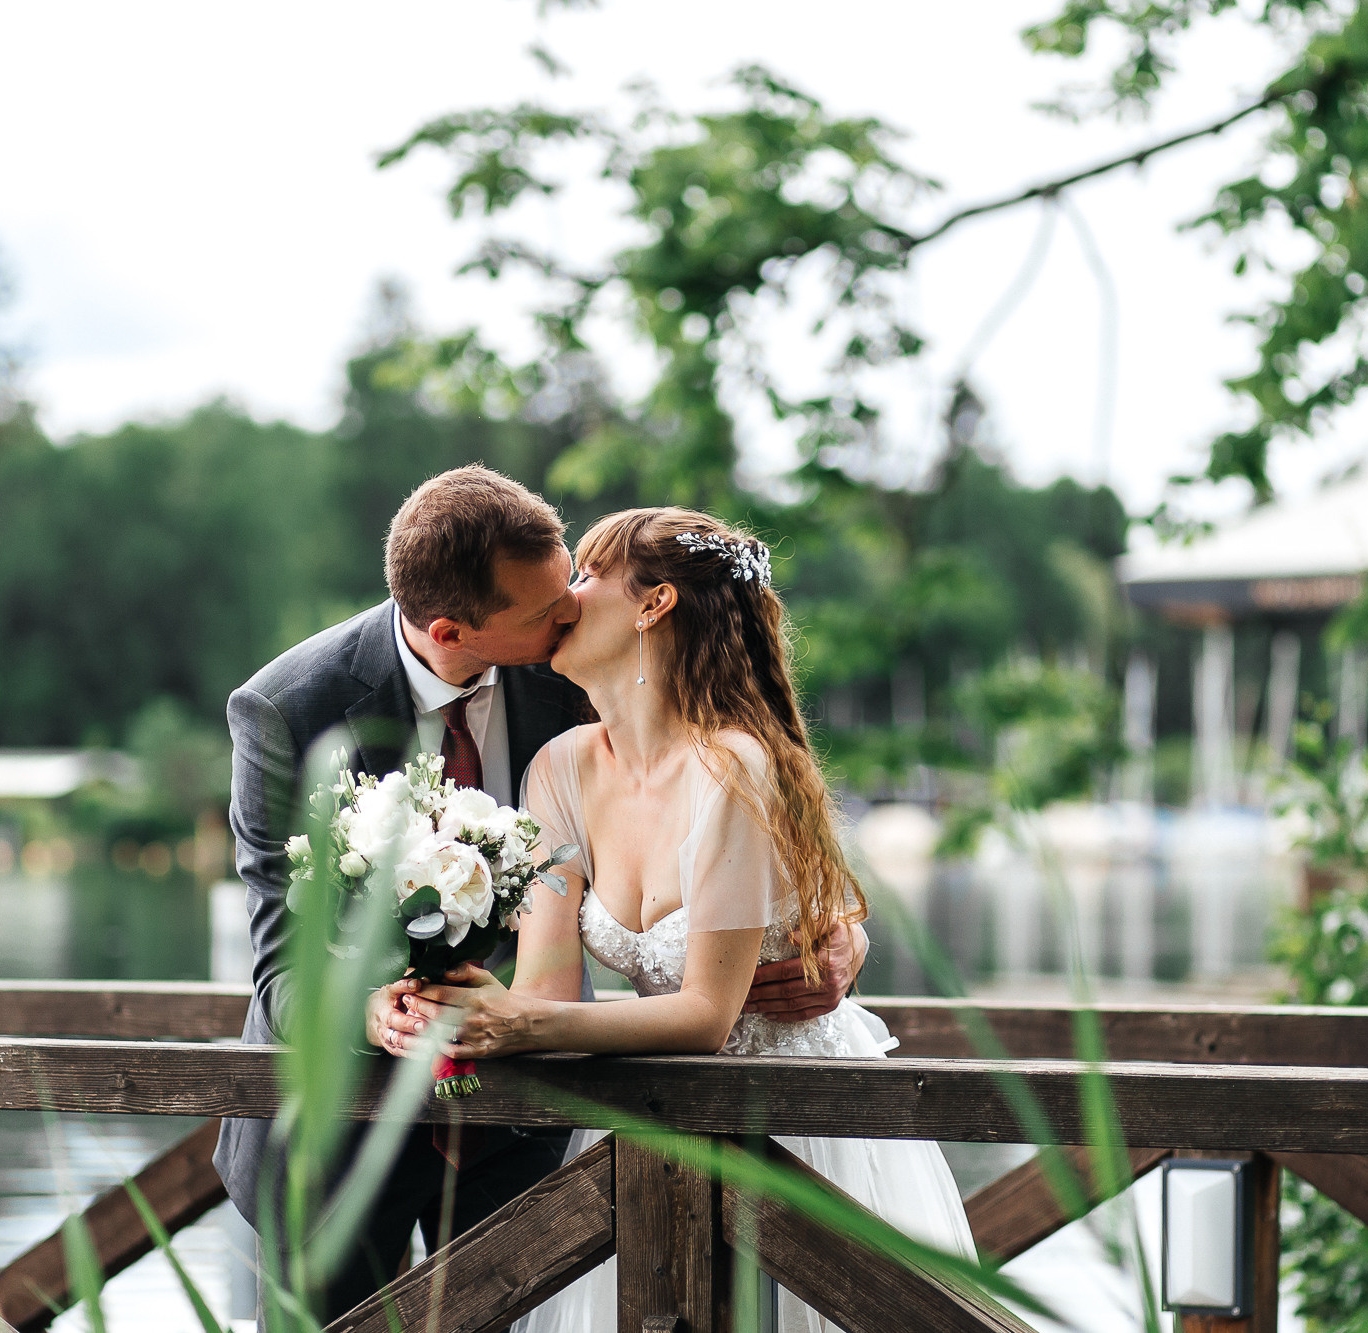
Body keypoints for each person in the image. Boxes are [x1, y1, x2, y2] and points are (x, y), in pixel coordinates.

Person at [215, 469, 869, 1322]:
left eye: (577, 583)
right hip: (338, 1136)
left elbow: (764, 810)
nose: (569, 608)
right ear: (454, 629)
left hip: (531, 1132)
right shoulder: (289, 711)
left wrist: (842, 935)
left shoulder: (588, 674)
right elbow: (281, 971)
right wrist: (376, 1010)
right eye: (548, 607)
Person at [397, 506, 976, 1333]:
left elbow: (706, 1014)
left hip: (796, 1124)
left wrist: (514, 1022)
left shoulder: (732, 765)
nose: (567, 591)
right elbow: (549, 989)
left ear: (653, 605)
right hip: (651, 1126)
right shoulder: (560, 767)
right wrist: (459, 1004)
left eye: (589, 573)